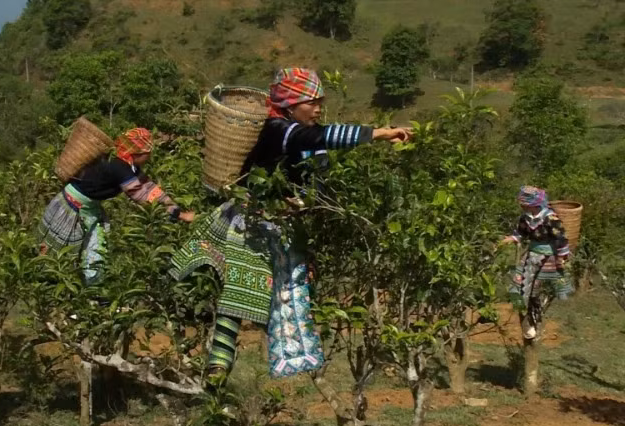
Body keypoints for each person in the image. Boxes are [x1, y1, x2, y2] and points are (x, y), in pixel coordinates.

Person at [170, 68, 412, 385]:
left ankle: (241, 363)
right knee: (240, 292)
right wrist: (377, 134)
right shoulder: (277, 129)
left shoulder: (307, 137)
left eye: (319, 102)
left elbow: (318, 178)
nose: (317, 108)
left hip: (282, 227)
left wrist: (308, 204)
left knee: (268, 292)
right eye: (311, 102)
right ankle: (217, 366)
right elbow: (309, 137)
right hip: (252, 223)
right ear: (290, 104)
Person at [38, 127, 195, 286]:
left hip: (89, 207)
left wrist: (172, 205)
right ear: (138, 153)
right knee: (61, 252)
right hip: (72, 206)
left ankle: (93, 289)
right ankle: (48, 286)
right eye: (148, 152)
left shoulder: (129, 166)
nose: (150, 156)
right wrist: (181, 216)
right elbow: (143, 198)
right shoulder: (120, 169)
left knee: (95, 246)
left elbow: (149, 187)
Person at [500, 186, 572, 340]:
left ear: (533, 203)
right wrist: (510, 239)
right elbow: (521, 233)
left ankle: (534, 323)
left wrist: (561, 258)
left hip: (549, 257)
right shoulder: (525, 218)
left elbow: (560, 238)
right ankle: (526, 318)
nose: (521, 205)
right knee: (520, 286)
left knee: (535, 291)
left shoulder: (550, 218)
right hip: (532, 255)